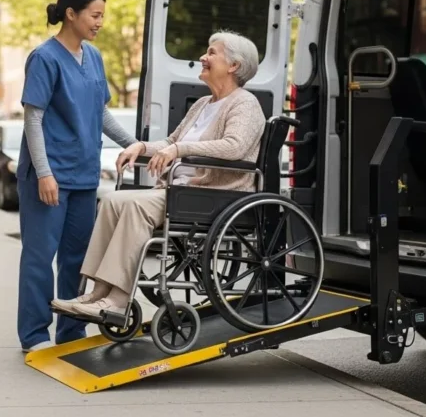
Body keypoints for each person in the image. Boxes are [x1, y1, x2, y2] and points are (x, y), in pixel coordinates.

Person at [51, 31, 266, 319]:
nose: (203, 57)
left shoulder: (245, 103)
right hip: (182, 192)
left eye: (212, 52)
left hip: (214, 195)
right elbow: (170, 141)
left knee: (136, 207)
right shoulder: (203, 104)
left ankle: (118, 299)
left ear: (234, 66)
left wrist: (179, 149)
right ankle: (97, 292)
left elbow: (234, 147)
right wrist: (140, 146)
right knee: (113, 201)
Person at [16, 0, 137, 353]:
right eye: (94, 15)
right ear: (71, 14)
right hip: (48, 177)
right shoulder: (44, 58)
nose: (100, 22)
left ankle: (70, 332)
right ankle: (35, 335)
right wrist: (45, 173)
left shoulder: (94, 57)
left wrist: (132, 144)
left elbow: (100, 113)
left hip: (84, 175)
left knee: (77, 259)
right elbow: (33, 119)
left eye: (102, 16)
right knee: (40, 257)